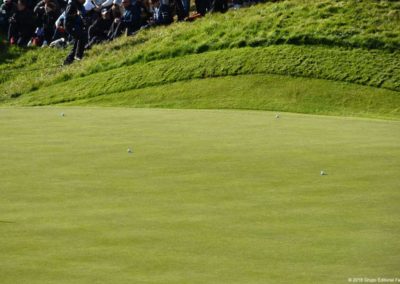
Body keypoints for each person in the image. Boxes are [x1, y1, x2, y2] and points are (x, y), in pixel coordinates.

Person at [63, 0, 86, 65]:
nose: (84, 0)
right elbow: (67, 16)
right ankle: (78, 55)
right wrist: (76, 14)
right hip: (69, 25)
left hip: (76, 26)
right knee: (81, 37)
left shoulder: (81, 6)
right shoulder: (72, 4)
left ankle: (68, 61)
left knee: (78, 41)